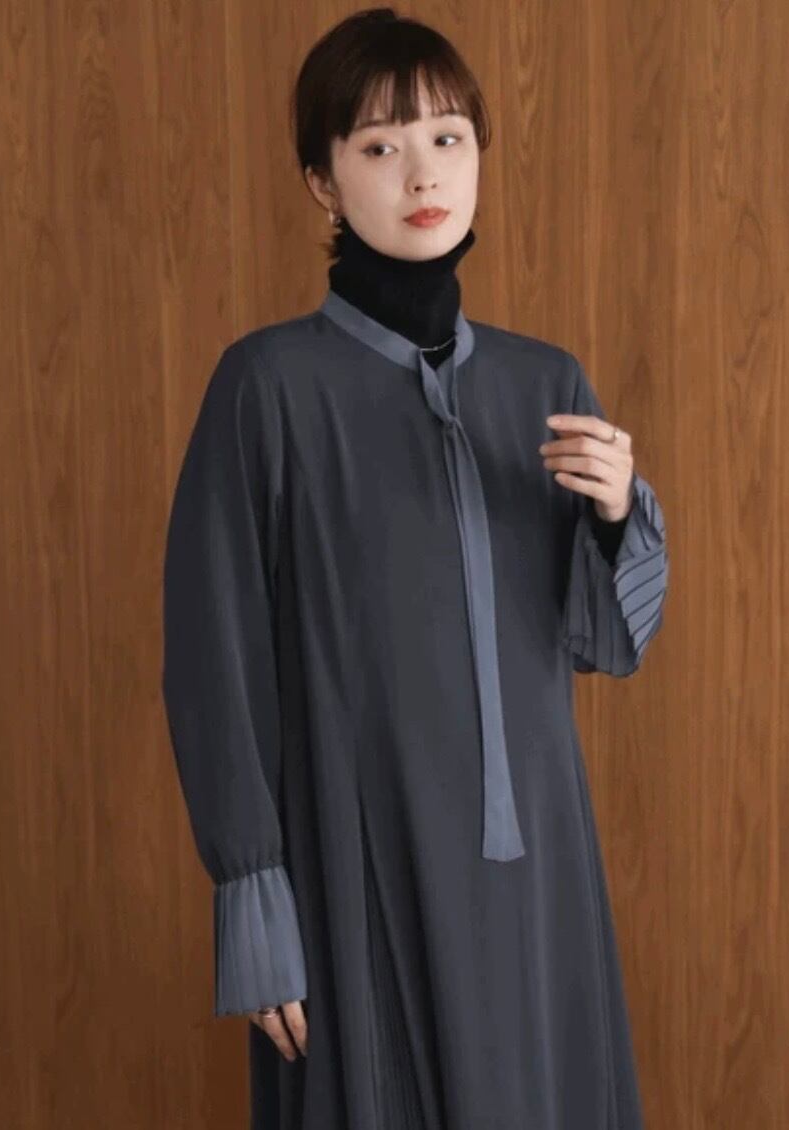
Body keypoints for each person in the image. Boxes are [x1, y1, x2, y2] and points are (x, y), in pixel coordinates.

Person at [160, 7, 668, 1129]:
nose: (422, 173)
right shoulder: (267, 389)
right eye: (379, 145)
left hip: (536, 874)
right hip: (354, 865)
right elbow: (211, 660)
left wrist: (615, 514)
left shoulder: (545, 383)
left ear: (480, 154)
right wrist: (252, 896)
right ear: (323, 182)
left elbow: (604, 641)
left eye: (447, 137)